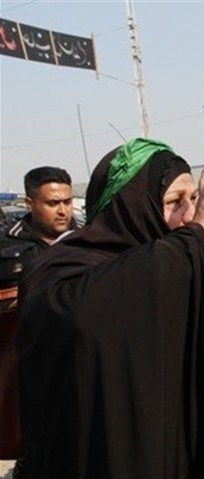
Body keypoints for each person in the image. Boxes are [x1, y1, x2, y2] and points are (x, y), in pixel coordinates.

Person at [16, 138, 204, 479]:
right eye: (174, 201)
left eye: (194, 200)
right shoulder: (63, 269)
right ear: (129, 208)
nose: (189, 215)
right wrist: (198, 233)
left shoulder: (179, 259)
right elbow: (84, 313)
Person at [0, 166, 74, 474]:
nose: (63, 211)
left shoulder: (84, 242)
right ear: (30, 204)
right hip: (24, 375)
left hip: (72, 370)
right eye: (52, 203)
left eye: (67, 202)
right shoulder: (7, 248)